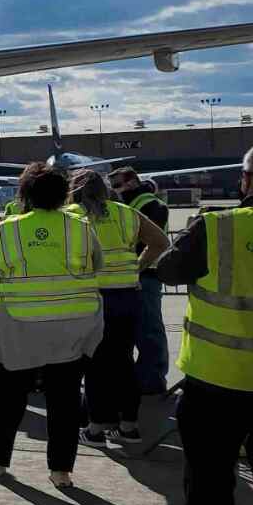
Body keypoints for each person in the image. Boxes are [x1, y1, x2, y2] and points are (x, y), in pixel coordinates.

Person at [153, 141, 253, 505]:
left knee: (209, 495)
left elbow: (168, 271)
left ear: (246, 180)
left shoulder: (217, 226)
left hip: (214, 386)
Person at [0, 163, 104, 489]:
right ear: (64, 195)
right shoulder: (81, 227)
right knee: (65, 400)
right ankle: (61, 471)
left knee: (10, 397)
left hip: (21, 326)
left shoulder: (9, 227)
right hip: (73, 327)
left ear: (24, 193)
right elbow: (97, 263)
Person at [68, 169, 169, 446]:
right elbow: (161, 242)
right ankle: (128, 426)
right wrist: (137, 267)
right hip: (127, 296)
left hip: (91, 298)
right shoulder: (126, 212)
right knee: (123, 361)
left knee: (95, 365)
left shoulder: (71, 216)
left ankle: (97, 427)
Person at [109, 167, 174, 394]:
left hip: (144, 276)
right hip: (127, 277)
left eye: (117, 185)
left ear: (132, 182)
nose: (115, 190)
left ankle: (152, 380)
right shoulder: (128, 205)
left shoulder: (151, 205)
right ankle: (141, 378)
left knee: (149, 331)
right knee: (133, 332)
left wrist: (136, 268)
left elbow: (154, 243)